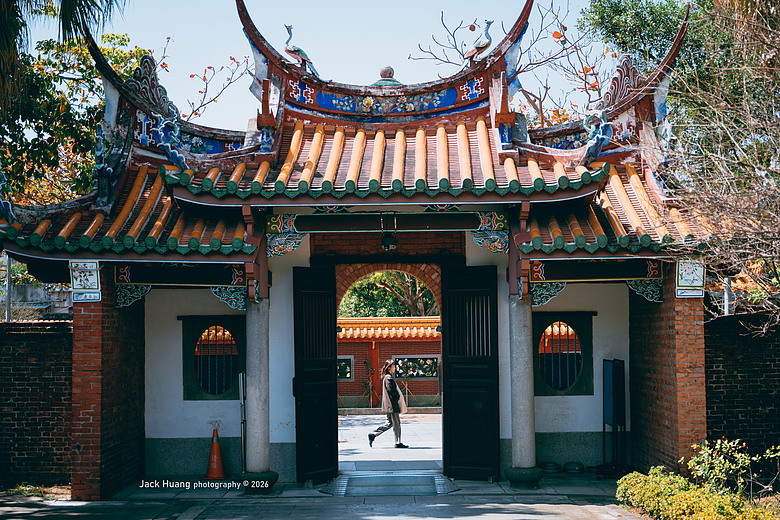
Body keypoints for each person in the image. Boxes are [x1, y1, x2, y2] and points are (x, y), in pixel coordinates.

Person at [368, 359, 408, 448]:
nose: (395, 368)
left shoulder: (387, 377)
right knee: (396, 423)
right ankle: (397, 442)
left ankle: (373, 434)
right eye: (393, 366)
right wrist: (398, 398)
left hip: (390, 405)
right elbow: (392, 391)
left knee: (389, 423)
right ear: (389, 367)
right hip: (392, 405)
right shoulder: (388, 378)